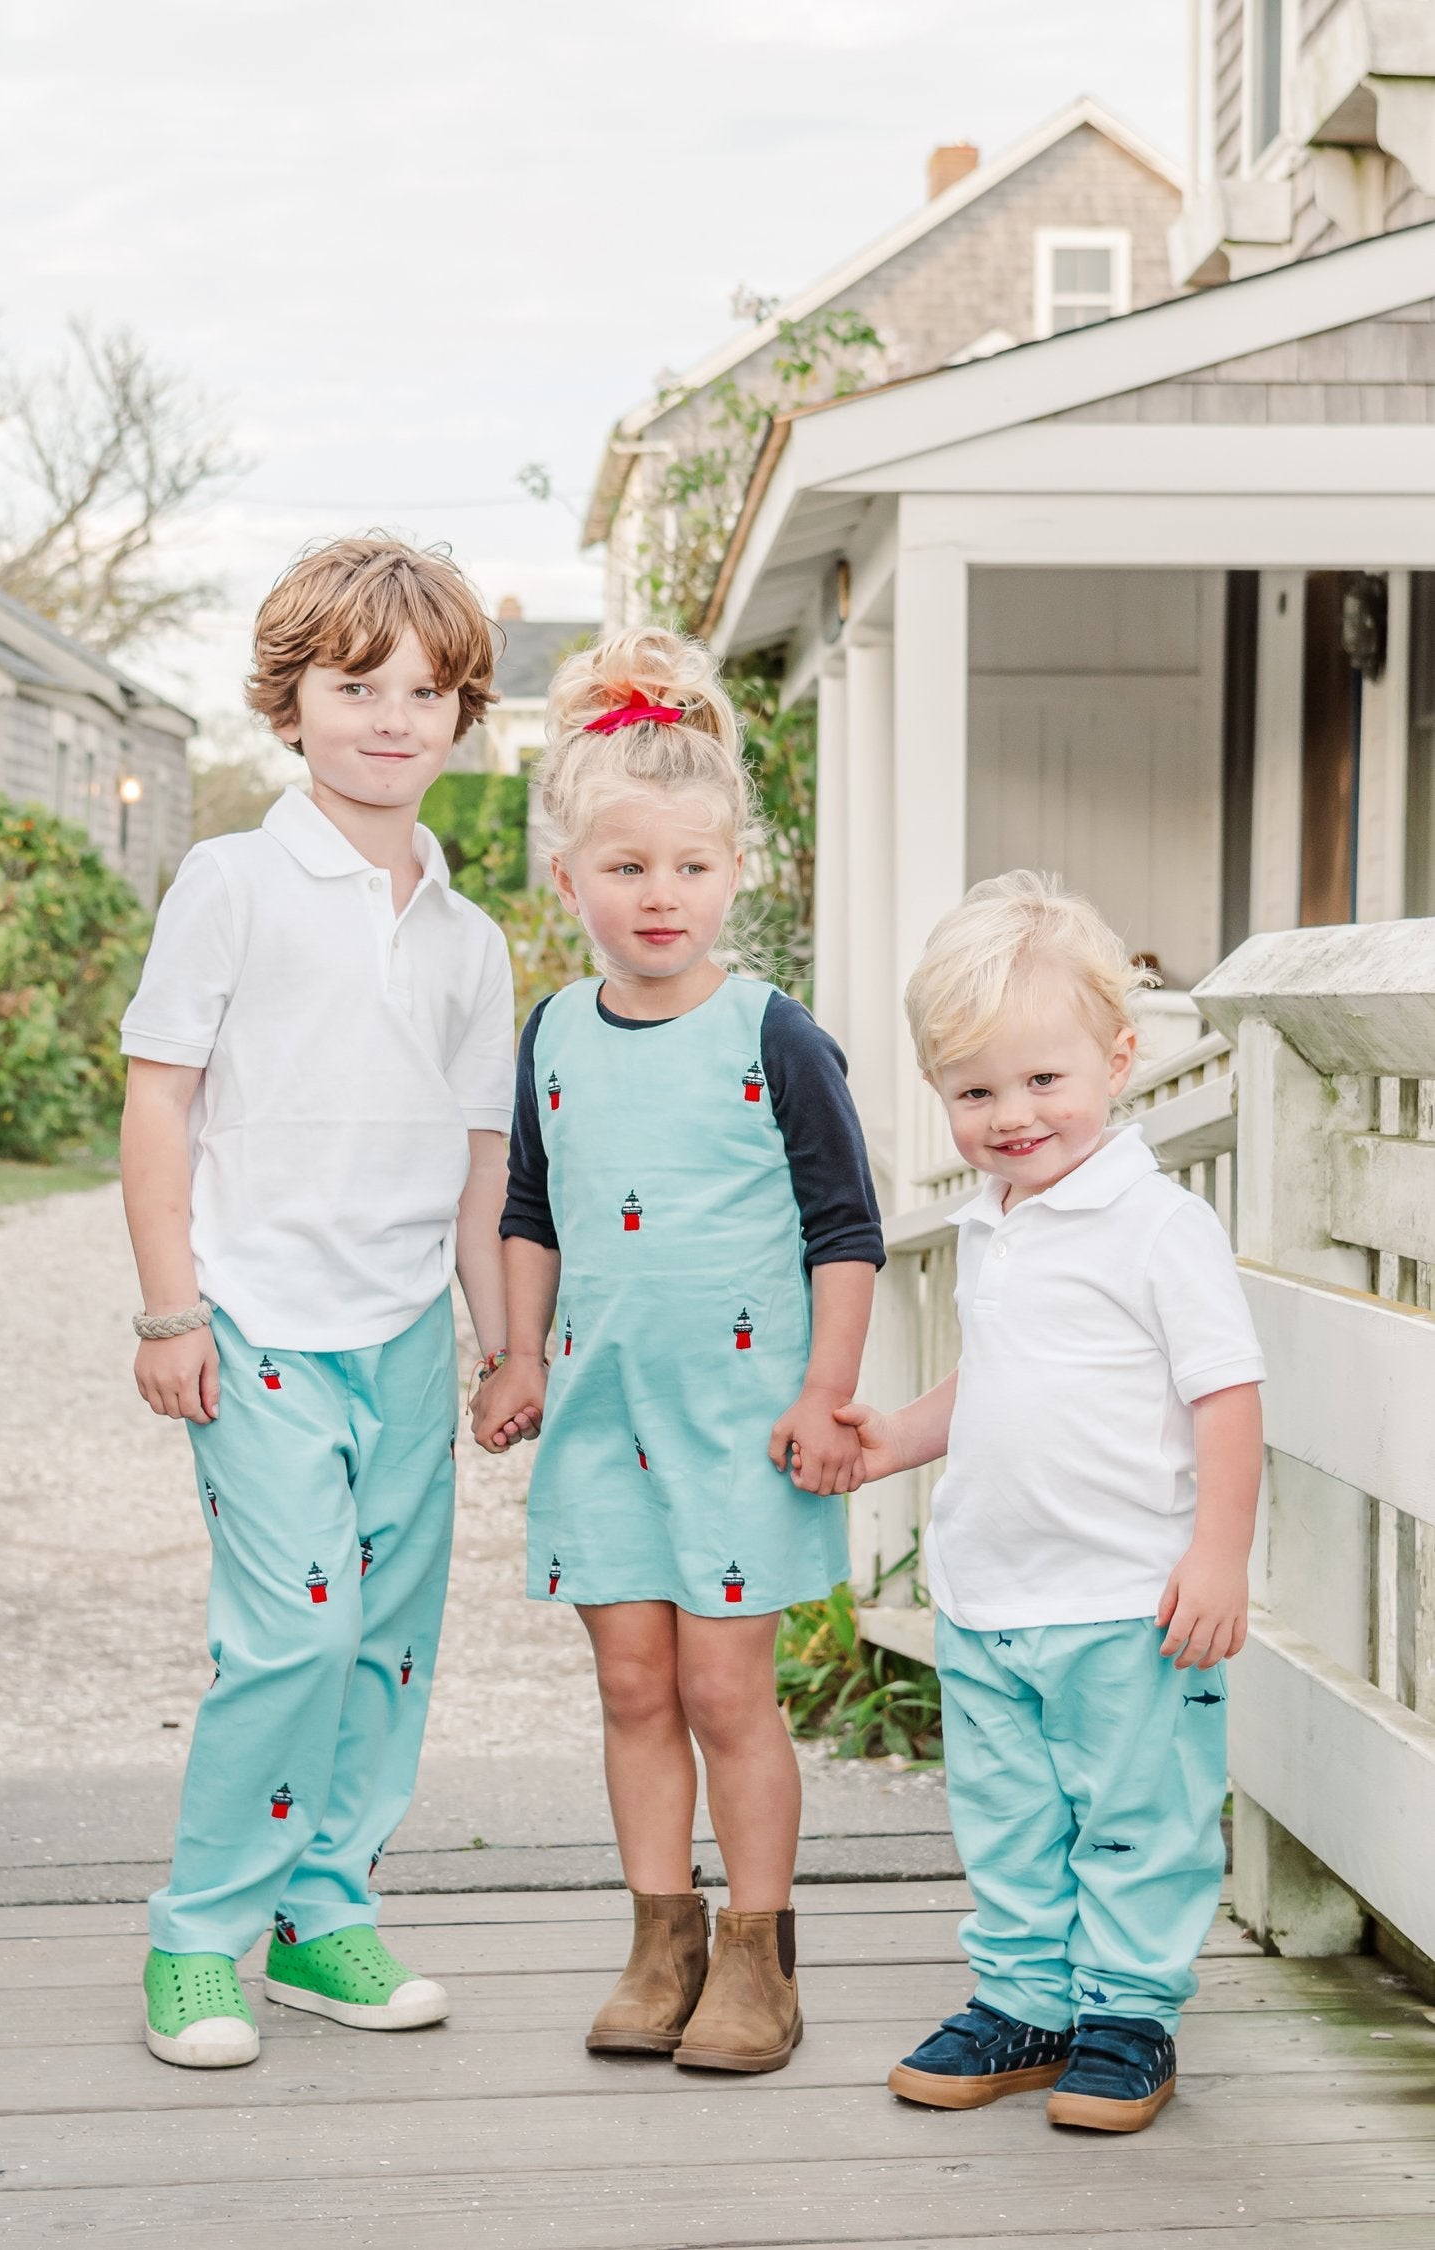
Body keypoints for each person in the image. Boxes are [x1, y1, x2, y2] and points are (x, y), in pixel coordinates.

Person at [119, 536, 514, 2069]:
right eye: (357, 687)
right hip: (261, 1322)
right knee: (294, 1629)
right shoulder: (231, 880)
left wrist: (504, 1344)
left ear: (463, 714)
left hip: (407, 1335)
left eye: (426, 691)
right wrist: (172, 1311)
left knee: (390, 1642)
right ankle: (198, 1932)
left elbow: (482, 1163)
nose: (392, 718)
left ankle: (322, 1908)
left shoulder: (471, 940)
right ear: (292, 705)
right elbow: (160, 1105)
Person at [473, 626, 883, 2073]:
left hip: (741, 1421)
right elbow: (531, 1207)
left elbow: (847, 1228)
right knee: (633, 1687)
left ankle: (761, 1952)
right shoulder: (552, 1035)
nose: (661, 896)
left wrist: (826, 1390)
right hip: (601, 1416)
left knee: (726, 1691)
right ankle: (664, 1936)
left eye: (691, 868)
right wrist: (515, 1353)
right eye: (628, 867)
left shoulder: (776, 1035)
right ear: (571, 876)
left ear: (736, 871)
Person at [839, 872, 1264, 2134]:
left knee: (1139, 1817)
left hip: (1129, 1599)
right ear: (940, 1094)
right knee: (1012, 1818)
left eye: (1043, 1082)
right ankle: (1025, 2001)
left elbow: (1226, 1395)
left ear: (1118, 1061)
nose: (1012, 1117)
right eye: (976, 1091)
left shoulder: (1157, 1225)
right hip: (993, 1592)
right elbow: (999, 1380)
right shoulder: (996, 1224)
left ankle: (1129, 2013)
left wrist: (1220, 1555)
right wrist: (896, 1437)